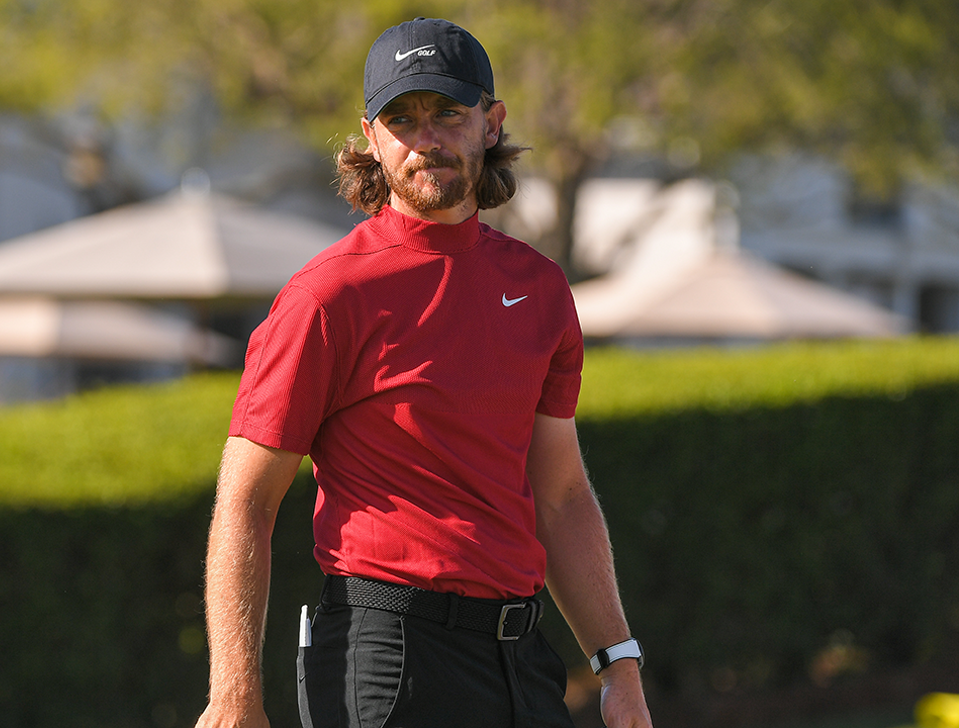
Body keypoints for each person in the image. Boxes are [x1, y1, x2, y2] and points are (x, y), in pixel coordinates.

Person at [195, 17, 653, 728]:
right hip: (385, 658)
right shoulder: (326, 297)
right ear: (371, 138)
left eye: (447, 112)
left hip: (520, 659)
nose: (426, 138)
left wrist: (618, 665)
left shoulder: (539, 288)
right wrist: (234, 697)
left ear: (491, 123)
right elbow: (246, 501)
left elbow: (561, 494)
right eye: (401, 119)